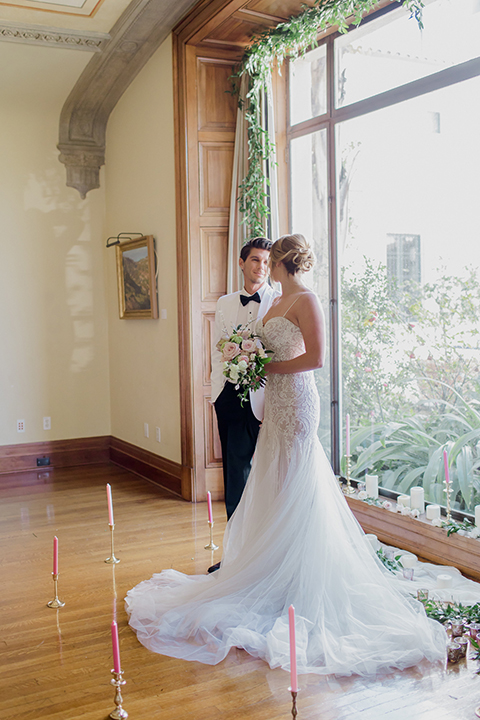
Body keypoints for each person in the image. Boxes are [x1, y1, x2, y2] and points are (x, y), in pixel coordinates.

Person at [125, 234, 446, 677]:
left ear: (278, 261)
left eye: (268, 258)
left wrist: (266, 366)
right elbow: (253, 343)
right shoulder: (274, 303)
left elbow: (315, 358)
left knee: (298, 477)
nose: (264, 265)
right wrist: (251, 361)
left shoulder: (305, 300)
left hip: (296, 401)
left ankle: (301, 575)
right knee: (274, 479)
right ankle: (271, 568)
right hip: (272, 402)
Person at [210, 237, 278, 523]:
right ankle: (235, 549)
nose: (261, 266)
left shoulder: (280, 301)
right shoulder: (224, 303)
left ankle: (262, 545)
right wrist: (218, 392)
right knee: (234, 473)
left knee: (268, 472)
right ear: (241, 263)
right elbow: (217, 347)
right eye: (255, 260)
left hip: (266, 396)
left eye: (266, 262)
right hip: (228, 395)